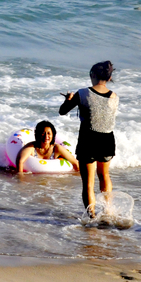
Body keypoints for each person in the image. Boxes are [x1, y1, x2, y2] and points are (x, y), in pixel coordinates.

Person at [59, 61, 118, 217]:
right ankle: (108, 211)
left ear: (93, 75)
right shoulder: (114, 96)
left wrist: (68, 100)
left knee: (88, 183)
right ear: (109, 77)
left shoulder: (83, 93)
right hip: (107, 139)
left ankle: (92, 217)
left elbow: (63, 111)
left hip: (88, 139)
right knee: (104, 176)